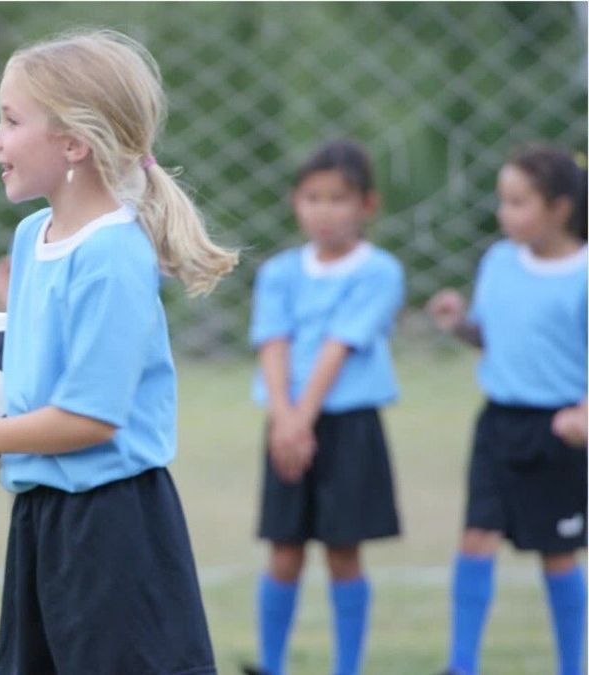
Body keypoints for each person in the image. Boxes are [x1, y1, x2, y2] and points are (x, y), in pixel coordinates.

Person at [0, 29, 237, 674]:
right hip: (43, 519)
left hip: (113, 528)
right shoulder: (31, 236)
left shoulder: (113, 257)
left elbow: (89, 418)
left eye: (11, 120)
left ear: (73, 142)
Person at [243, 140, 404, 675]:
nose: (325, 210)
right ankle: (271, 663)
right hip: (286, 423)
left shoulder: (379, 271)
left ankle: (348, 667)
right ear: (296, 202)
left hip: (346, 426)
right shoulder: (280, 272)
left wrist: (300, 419)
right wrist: (284, 421)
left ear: (367, 205)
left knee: (342, 552)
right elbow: (273, 342)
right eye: (313, 197)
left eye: (339, 198)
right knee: (284, 550)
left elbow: (339, 345)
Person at [427, 144, 586, 675]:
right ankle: (461, 664)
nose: (505, 213)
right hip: (498, 424)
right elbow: (492, 337)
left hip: (560, 430)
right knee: (476, 538)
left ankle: (571, 665)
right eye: (504, 201)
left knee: (557, 553)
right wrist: (457, 324)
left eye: (518, 202)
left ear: (559, 209)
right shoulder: (498, 261)